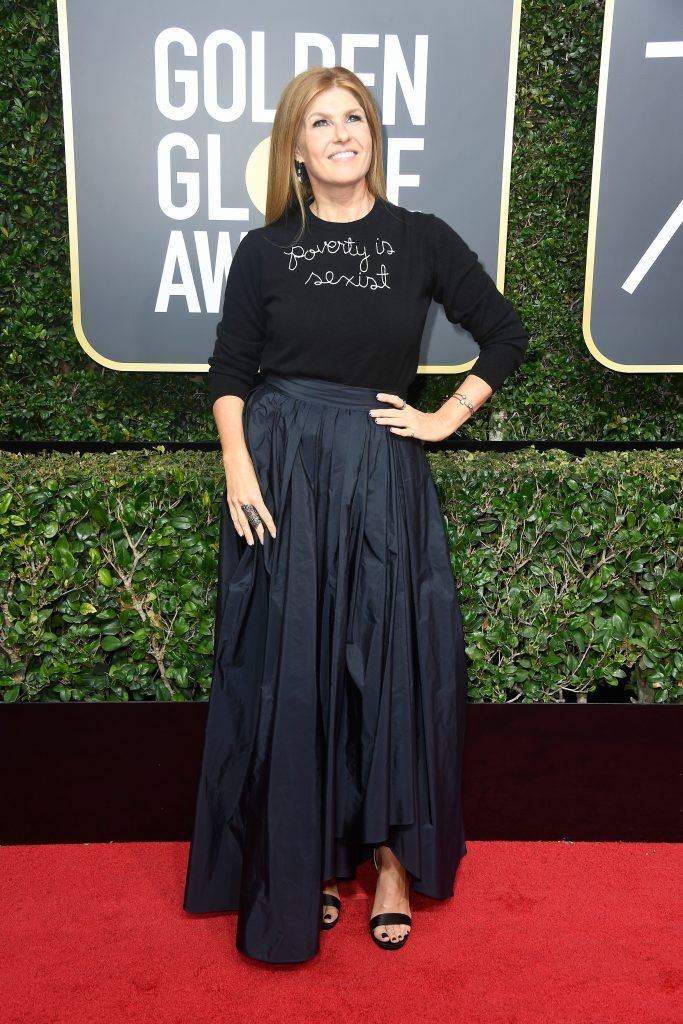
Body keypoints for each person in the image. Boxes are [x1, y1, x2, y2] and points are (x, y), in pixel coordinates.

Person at [183, 65, 529, 963]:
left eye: (356, 119)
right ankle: (304, 860)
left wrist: (443, 416)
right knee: (293, 668)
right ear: (294, 148)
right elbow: (230, 370)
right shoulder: (264, 251)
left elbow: (505, 332)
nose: (342, 133)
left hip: (378, 470)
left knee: (384, 663)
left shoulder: (418, 240)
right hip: (282, 472)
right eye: (321, 122)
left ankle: (387, 866)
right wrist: (236, 462)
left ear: (374, 136)